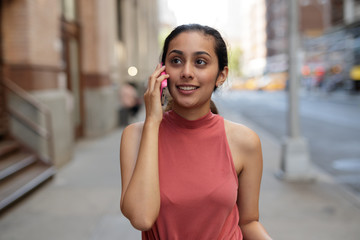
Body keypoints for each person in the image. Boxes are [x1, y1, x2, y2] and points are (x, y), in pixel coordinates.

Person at [120, 24, 272, 240]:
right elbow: (141, 218)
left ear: (221, 75)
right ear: (162, 72)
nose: (187, 72)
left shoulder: (244, 141)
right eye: (176, 61)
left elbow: (248, 222)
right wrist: (153, 122)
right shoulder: (136, 136)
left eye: (200, 62)